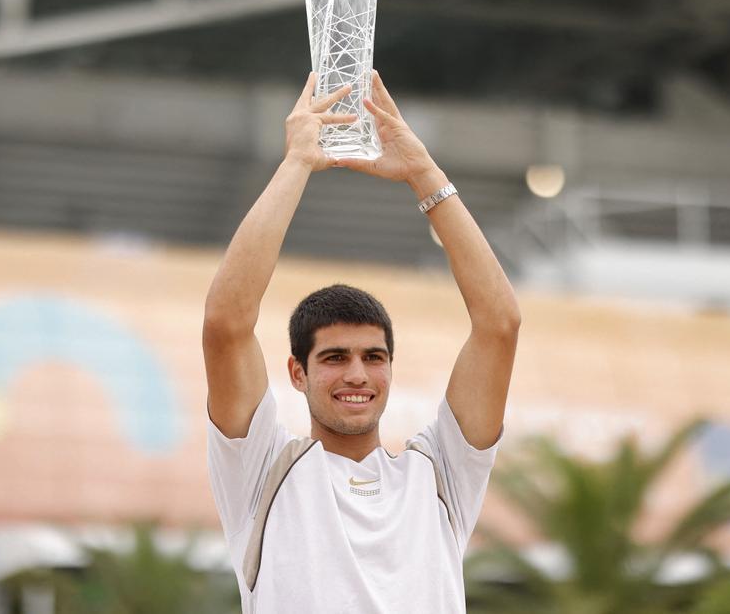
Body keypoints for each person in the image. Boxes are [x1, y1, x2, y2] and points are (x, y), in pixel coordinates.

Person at [202, 70, 521, 613]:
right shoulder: (260, 471)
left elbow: (499, 324)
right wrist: (297, 162)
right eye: (334, 358)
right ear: (297, 373)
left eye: (374, 358)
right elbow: (226, 324)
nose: (357, 375)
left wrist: (423, 173)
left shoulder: (440, 473)